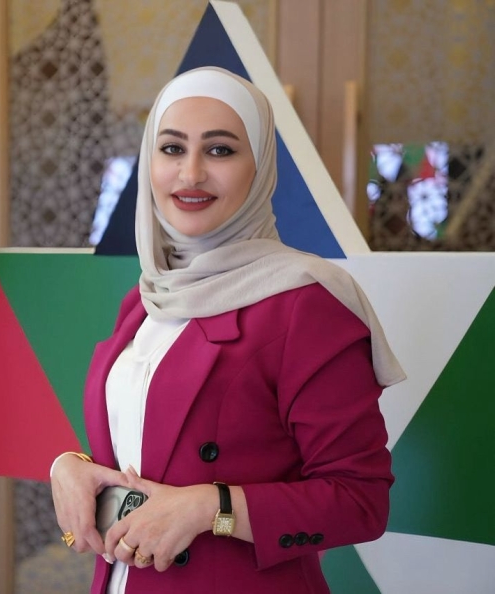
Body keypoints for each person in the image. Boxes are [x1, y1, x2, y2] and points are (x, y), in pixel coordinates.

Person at [50, 66, 405, 593]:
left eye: (220, 150)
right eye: (172, 149)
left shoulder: (306, 304)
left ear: (259, 168)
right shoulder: (150, 296)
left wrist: (208, 507)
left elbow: (360, 502)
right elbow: (142, 447)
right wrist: (71, 466)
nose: (191, 173)